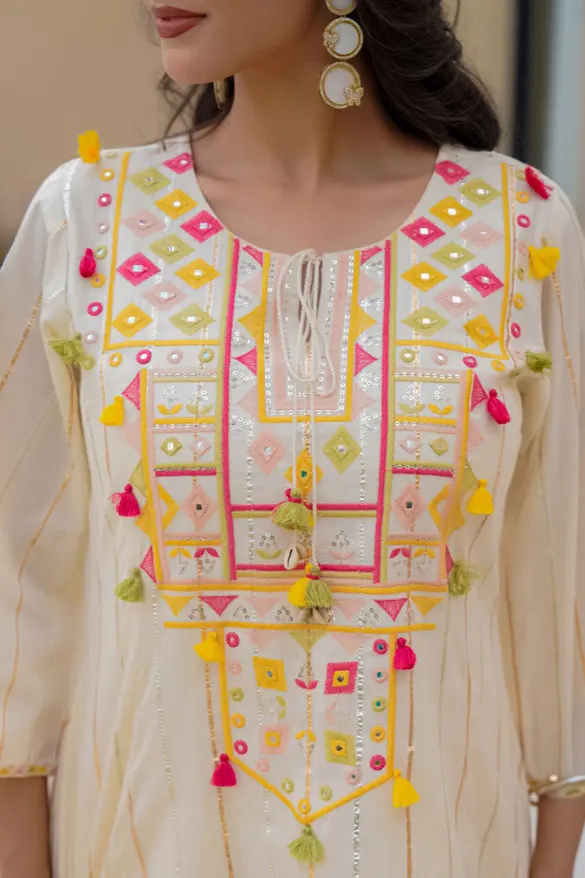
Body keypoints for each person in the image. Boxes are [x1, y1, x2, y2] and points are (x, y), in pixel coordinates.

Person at [1, 0, 584, 875]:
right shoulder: (85, 223)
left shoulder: (519, 229)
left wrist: (559, 832)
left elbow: (558, 572)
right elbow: (17, 579)